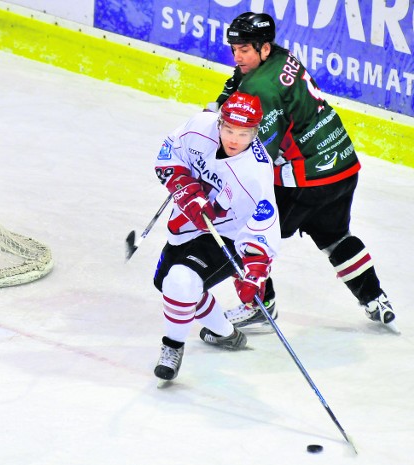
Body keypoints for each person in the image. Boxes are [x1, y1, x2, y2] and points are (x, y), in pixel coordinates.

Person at [215, 12, 396, 331]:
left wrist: (215, 170)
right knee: (334, 236)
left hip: (307, 179)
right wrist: (230, 93)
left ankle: (259, 304)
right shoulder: (282, 57)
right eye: (234, 49)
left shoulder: (261, 89)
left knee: (241, 229)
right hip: (343, 165)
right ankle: (375, 298)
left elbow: (258, 156)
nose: (237, 56)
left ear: (263, 48)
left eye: (244, 49)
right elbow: (243, 83)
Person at [152, 91, 280, 381]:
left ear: (255, 133)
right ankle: (225, 334)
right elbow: (168, 154)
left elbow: (263, 225)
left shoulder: (255, 173)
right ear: (219, 122)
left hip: (229, 236)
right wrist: (185, 189)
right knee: (169, 285)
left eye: (244, 133)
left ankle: (172, 349)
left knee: (180, 281)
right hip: (187, 223)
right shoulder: (199, 127)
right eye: (229, 130)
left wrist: (255, 271)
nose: (234, 139)